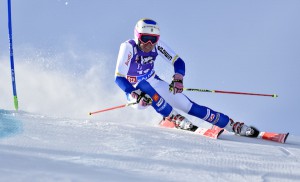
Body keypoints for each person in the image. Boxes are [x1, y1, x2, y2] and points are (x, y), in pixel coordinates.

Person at [114, 18, 259, 137]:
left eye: (153, 39)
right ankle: (173, 117)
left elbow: (178, 61)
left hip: (154, 82)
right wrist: (131, 92)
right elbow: (119, 77)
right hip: (135, 92)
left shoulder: (157, 46)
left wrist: (178, 78)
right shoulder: (128, 47)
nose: (149, 44)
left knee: (191, 107)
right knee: (144, 88)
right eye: (145, 39)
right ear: (137, 36)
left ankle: (231, 125)